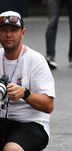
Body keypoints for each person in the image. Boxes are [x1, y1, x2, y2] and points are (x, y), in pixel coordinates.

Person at [0, 10, 55, 150]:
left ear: (23, 33)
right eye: (3, 30)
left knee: (11, 149)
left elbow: (48, 106)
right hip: (2, 120)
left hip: (31, 124)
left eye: (14, 30)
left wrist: (25, 93)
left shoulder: (35, 60)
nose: (8, 34)